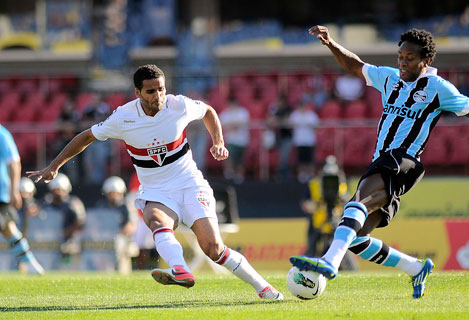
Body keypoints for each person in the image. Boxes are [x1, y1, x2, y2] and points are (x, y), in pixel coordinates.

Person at [28, 64, 283, 300]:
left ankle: (264, 288)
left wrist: (218, 141)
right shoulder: (123, 117)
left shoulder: (178, 105)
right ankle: (180, 269)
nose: (158, 95)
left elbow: (208, 111)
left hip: (190, 184)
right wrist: (55, 166)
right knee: (156, 219)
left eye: (161, 89)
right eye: (151, 91)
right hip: (157, 190)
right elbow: (86, 136)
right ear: (137, 92)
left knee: (214, 249)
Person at [290, 26, 469, 299]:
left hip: (404, 160)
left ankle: (329, 262)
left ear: (426, 61)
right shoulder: (390, 78)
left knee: (356, 203)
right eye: (400, 56)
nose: (402, 62)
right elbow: (356, 66)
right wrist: (331, 43)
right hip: (385, 161)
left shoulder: (438, 88)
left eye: (410, 57)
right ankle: (415, 267)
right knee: (355, 240)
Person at [0, 124, 44, 274]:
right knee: (8, 229)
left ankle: (29, 263)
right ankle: (30, 263)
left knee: (8, 228)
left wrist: (14, 190)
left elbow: (14, 162)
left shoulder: (2, 134)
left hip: (1, 192)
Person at [43, 173, 86, 266]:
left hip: (70, 239)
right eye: (55, 190)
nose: (58, 192)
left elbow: (80, 222)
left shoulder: (73, 204)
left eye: (60, 190)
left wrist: (65, 232)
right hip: (51, 239)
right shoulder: (47, 204)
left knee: (67, 249)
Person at [101, 176, 139, 274]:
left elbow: (131, 225)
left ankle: (121, 272)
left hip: (125, 239)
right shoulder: (103, 206)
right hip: (105, 237)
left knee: (117, 242)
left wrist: (116, 234)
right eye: (111, 193)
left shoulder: (126, 206)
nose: (113, 196)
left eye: (116, 193)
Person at [219, 99, 250, 183]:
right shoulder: (225, 113)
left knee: (240, 160)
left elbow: (244, 122)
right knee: (230, 159)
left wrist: (232, 125)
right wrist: (235, 124)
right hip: (231, 140)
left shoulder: (243, 112)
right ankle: (229, 175)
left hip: (242, 141)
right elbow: (222, 124)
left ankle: (239, 177)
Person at [289, 101, 320, 183]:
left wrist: (309, 125)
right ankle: (302, 175)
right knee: (301, 160)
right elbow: (290, 126)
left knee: (310, 160)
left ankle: (310, 174)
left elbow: (317, 126)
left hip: (309, 141)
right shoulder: (295, 115)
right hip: (299, 141)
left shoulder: (311, 115)